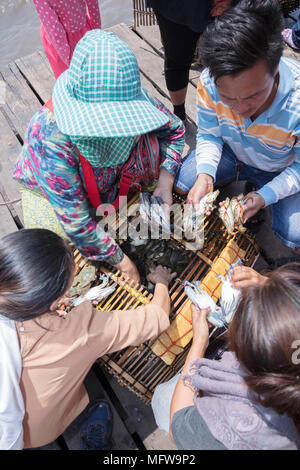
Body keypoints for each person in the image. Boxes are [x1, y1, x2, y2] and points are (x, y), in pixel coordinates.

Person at [13, 29, 185, 285]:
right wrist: (123, 263)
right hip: (54, 193)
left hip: (113, 180)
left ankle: (118, 205)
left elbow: (174, 129)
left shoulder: (129, 95)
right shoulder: (48, 136)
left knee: (152, 147)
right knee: (54, 239)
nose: (114, 131)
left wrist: (165, 180)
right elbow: (77, 223)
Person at [0, 228, 176, 449]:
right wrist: (161, 282)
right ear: (55, 303)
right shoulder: (81, 331)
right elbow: (155, 318)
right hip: (32, 431)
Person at [174, 0, 300, 252]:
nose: (241, 109)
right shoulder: (209, 81)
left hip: (281, 166)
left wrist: (267, 195)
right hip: (231, 152)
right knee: (184, 184)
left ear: (275, 69)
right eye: (229, 99)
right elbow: (210, 134)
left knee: (294, 235)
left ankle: (260, 194)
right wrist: (205, 174)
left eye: (253, 96)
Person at [151, 263, 300, 450]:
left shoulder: (244, 423)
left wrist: (199, 341)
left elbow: (178, 426)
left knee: (162, 399)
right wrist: (269, 289)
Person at [147, 0, 234, 121]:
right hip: (175, 7)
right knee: (176, 60)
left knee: (229, 59)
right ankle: (179, 113)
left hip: (225, 7)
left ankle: (229, 114)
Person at [33, 0, 102, 78]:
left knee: (68, 81)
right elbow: (93, 3)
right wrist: (96, 29)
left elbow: (54, 29)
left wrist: (68, 60)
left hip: (59, 45)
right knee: (93, 75)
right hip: (83, 30)